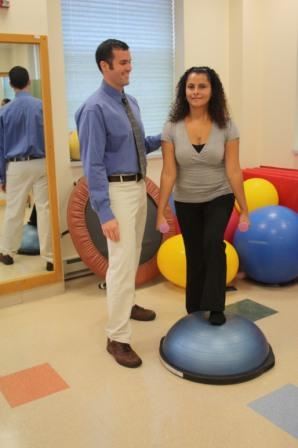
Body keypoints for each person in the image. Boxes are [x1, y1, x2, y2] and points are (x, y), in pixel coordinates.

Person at [75, 39, 161, 368]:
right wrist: (104, 212)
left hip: (137, 186)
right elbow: (92, 165)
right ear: (104, 66)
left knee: (132, 256)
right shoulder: (95, 108)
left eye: (130, 62)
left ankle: (128, 305)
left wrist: (165, 136)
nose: (129, 68)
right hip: (116, 193)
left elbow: (138, 145)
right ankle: (117, 337)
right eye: (122, 63)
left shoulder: (131, 102)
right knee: (122, 265)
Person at [157, 66, 249, 325]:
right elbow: (168, 173)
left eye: (202, 86)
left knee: (212, 242)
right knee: (194, 250)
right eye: (191, 87)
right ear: (184, 91)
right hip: (186, 200)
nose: (196, 92)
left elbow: (233, 169)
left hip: (219, 195)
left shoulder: (227, 126)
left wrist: (245, 207)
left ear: (213, 91)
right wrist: (162, 208)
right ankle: (195, 306)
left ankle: (215, 306)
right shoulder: (172, 128)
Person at [0, 66, 52, 270]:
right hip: (42, 162)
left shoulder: (4, 112)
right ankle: (50, 258)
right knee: (45, 210)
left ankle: (7, 253)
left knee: (14, 209)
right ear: (29, 81)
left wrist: (2, 177)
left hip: (16, 166)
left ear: (11, 85)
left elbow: (1, 147)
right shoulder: (41, 106)